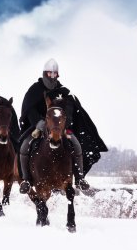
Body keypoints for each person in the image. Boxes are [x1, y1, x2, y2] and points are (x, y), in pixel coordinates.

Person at [18, 58, 108, 194]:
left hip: (60, 127)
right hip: (39, 126)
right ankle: (26, 180)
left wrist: (65, 124)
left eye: (55, 74)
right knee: (25, 146)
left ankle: (79, 178)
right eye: (50, 74)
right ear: (45, 74)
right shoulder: (35, 90)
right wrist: (38, 122)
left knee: (77, 145)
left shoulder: (63, 92)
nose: (52, 77)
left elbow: (71, 109)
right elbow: (29, 109)